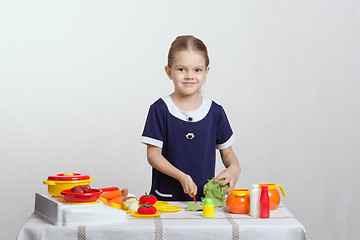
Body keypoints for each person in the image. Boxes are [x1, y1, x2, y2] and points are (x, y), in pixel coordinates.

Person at [141, 35, 241, 201]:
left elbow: (228, 153)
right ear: (169, 71)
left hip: (204, 203)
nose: (189, 76)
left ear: (206, 72)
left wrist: (235, 167)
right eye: (181, 69)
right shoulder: (160, 109)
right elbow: (153, 155)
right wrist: (181, 176)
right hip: (166, 201)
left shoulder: (215, 112)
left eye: (197, 70)